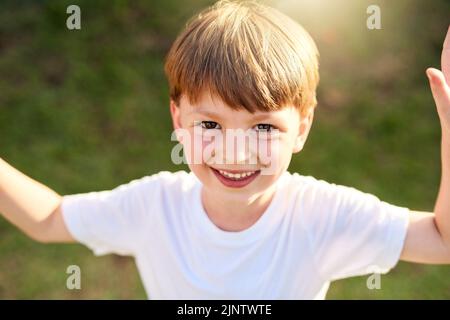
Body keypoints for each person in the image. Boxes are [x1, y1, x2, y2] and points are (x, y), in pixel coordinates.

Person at [1, 1, 449, 299]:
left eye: (263, 127)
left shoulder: (320, 214)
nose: (235, 151)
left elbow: (442, 240)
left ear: (302, 128)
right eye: (211, 124)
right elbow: (49, 219)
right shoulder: (155, 205)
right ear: (178, 119)